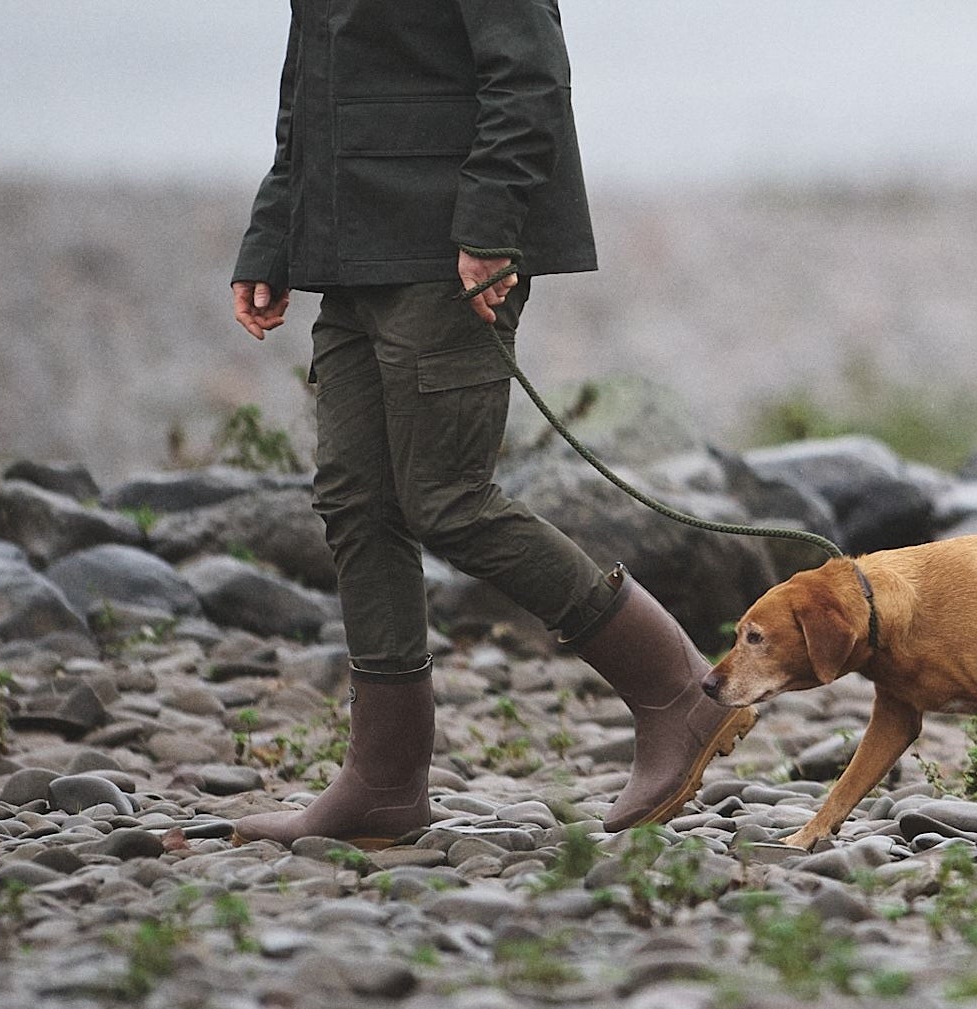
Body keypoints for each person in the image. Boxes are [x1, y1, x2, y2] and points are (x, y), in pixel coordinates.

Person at [224, 0, 754, 845]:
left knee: (446, 497)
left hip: (450, 249)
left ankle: (677, 689)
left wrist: (491, 219)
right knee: (356, 500)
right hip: (348, 250)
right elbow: (310, 87)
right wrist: (273, 233)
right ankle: (385, 779)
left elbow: (530, 71)